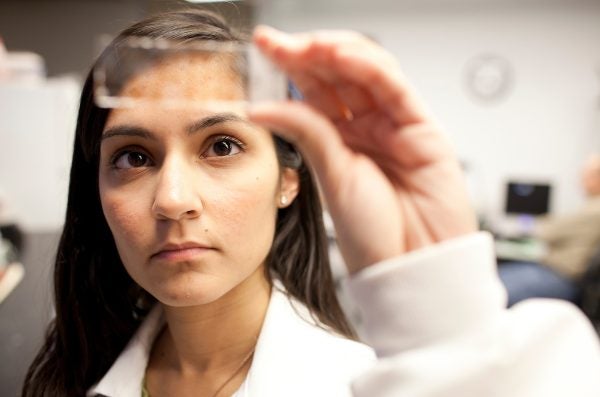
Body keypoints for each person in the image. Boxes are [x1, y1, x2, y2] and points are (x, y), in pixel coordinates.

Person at [22, 9, 600, 397]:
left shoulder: (355, 381)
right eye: (133, 157)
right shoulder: (65, 376)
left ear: (288, 180)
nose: (172, 201)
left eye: (221, 146)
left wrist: (447, 324)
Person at [499, 154, 600, 306]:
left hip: (562, 277)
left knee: (492, 291)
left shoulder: (595, 210)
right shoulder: (592, 206)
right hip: (555, 272)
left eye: (585, 176)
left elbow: (547, 231)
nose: (581, 182)